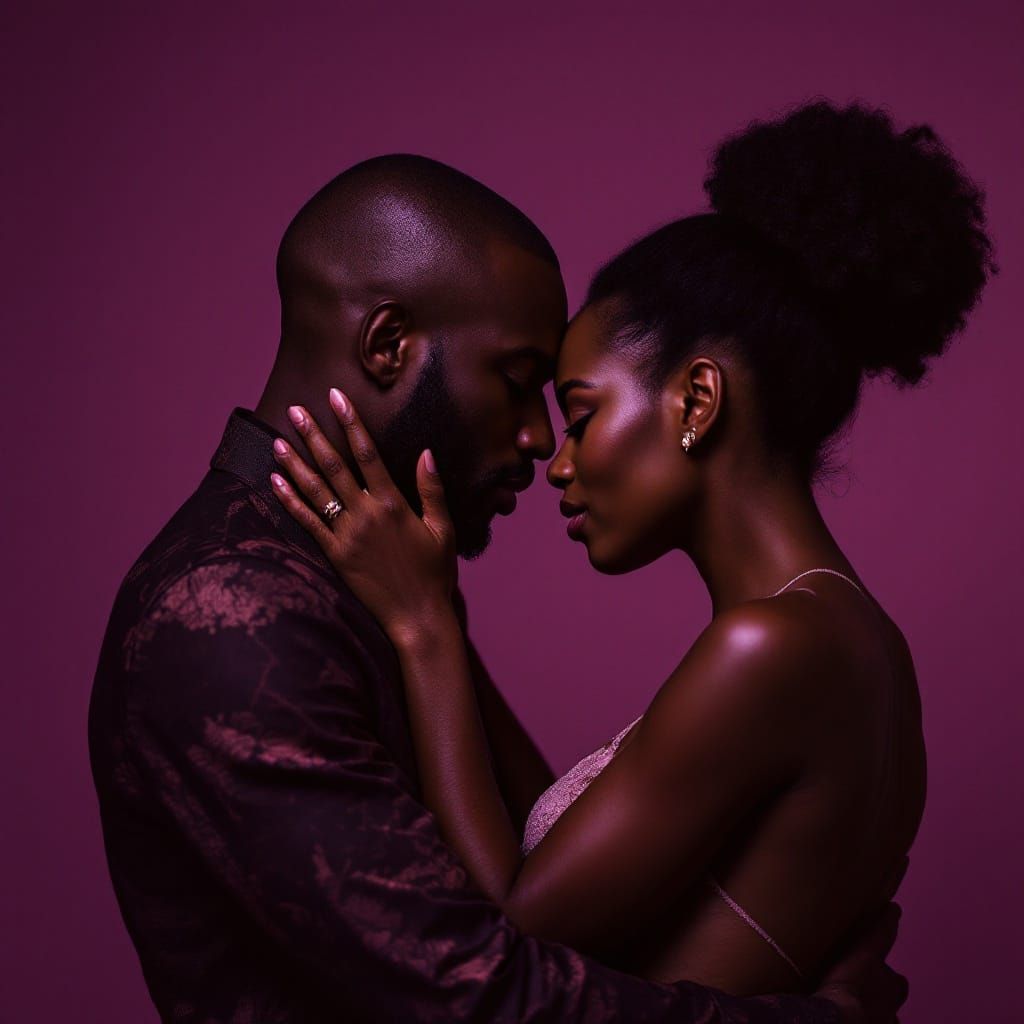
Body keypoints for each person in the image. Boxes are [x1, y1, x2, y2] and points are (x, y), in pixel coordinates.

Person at [89, 153, 907, 1022]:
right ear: (388, 344)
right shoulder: (230, 617)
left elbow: (528, 900)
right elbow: (485, 992)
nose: (538, 443)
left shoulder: (358, 591)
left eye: (571, 412)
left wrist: (433, 620)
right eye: (521, 384)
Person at [267, 104, 994, 1007]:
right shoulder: (849, 641)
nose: (556, 461)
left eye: (581, 413)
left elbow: (506, 934)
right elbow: (559, 853)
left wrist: (421, 631)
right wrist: (443, 605)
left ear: (696, 400)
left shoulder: (771, 650)